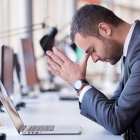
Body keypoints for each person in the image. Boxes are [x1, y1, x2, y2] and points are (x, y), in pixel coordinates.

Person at [45, 4, 140, 140]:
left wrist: (79, 83)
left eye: (92, 50)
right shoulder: (130, 48)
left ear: (104, 29)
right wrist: (80, 83)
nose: (94, 59)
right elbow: (112, 107)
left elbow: (116, 121)